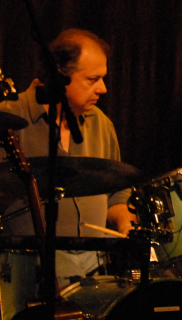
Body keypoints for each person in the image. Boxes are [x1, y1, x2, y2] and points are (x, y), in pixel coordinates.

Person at [0, 29, 133, 291]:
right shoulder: (8, 119)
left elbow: (116, 197)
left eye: (103, 78)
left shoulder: (101, 124)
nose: (103, 89)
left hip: (94, 266)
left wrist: (125, 224)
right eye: (93, 79)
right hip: (26, 270)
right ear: (59, 76)